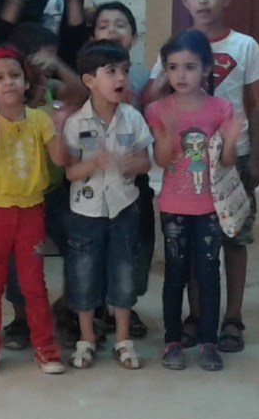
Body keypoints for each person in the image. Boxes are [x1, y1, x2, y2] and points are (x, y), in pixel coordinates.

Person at [145, 0, 259, 353]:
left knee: (234, 237)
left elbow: (258, 104)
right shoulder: (177, 48)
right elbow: (152, 95)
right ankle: (197, 316)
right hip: (189, 166)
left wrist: (256, 156)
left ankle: (232, 317)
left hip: (234, 159)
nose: (203, 0)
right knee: (195, 246)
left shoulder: (245, 46)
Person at [146, 29, 241, 372]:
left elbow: (227, 161)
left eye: (189, 67)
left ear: (206, 69)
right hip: (174, 207)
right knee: (175, 273)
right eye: (173, 67)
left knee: (208, 274)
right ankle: (173, 340)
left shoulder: (221, 108)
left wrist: (232, 139)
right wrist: (168, 134)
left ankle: (209, 342)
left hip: (209, 207)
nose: (181, 75)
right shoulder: (157, 110)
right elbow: (160, 161)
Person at [0, 45, 68, 376]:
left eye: (14, 76)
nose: (8, 82)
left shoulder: (40, 119)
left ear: (27, 83)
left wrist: (59, 126)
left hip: (31, 212)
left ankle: (45, 347)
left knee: (34, 284)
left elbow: (60, 160)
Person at [63, 40, 153, 370]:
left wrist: (134, 165)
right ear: (89, 81)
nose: (121, 78)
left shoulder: (133, 118)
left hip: (124, 208)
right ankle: (86, 337)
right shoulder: (76, 123)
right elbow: (70, 172)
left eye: (125, 71)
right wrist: (93, 164)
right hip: (85, 213)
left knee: (124, 271)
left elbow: (146, 161)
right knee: (84, 273)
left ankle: (123, 339)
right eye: (111, 71)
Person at [0, 22, 87, 350]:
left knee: (78, 246)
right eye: (42, 59)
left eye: (52, 58)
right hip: (18, 197)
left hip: (52, 190)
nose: (46, 66)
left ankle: (69, 309)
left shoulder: (52, 87)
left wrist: (57, 66)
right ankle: (21, 318)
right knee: (16, 260)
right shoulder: (8, 94)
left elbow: (79, 92)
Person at [91, 2, 154, 338]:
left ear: (134, 36)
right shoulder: (87, 77)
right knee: (98, 245)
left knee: (137, 244)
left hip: (133, 176)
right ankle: (98, 306)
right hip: (96, 178)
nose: (111, 30)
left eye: (120, 24)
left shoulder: (144, 77)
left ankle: (125, 305)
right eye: (103, 25)